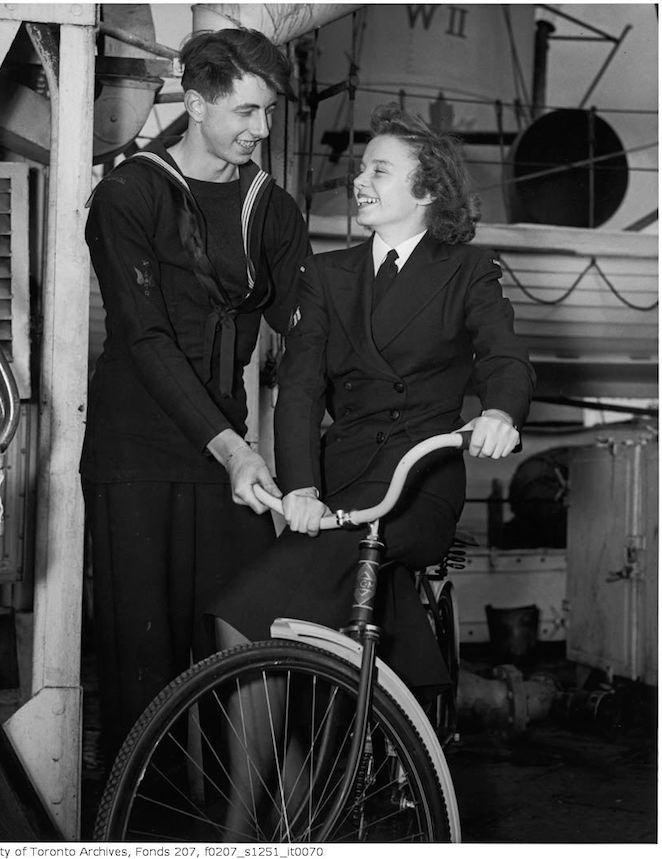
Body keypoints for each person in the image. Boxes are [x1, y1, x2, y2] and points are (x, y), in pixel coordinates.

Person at [213, 102, 536, 690]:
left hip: (417, 483)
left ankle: (287, 779)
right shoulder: (327, 273)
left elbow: (503, 355)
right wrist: (301, 485)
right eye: (361, 170)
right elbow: (303, 387)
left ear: (428, 189)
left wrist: (499, 411)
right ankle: (295, 782)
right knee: (276, 632)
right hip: (338, 483)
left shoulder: (469, 269)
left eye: (379, 171)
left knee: (250, 615)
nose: (359, 182)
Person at [81, 27, 311, 766]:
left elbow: (308, 331)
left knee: (247, 641)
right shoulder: (127, 193)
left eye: (269, 111)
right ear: (200, 99)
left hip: (228, 462)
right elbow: (145, 339)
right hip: (137, 457)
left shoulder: (270, 209)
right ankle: (136, 832)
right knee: (141, 679)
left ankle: (241, 828)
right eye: (246, 111)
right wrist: (237, 449)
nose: (262, 129)